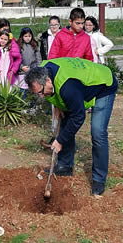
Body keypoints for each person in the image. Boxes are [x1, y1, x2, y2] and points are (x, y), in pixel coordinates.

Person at [25, 57, 118, 195]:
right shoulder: (44, 70)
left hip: (103, 85)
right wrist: (59, 105)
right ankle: (65, 166)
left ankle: (99, 180)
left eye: (40, 92)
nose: (41, 97)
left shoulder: (68, 87)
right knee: (65, 119)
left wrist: (60, 141)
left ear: (48, 81)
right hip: (77, 87)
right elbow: (56, 97)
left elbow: (79, 116)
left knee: (98, 133)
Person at [43, 8, 93, 148]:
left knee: (72, 117)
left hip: (76, 85)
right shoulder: (61, 36)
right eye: (78, 23)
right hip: (60, 82)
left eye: (83, 23)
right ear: (70, 21)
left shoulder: (86, 38)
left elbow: (89, 60)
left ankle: (63, 149)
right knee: (60, 116)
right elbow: (52, 59)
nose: (81, 26)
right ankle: (58, 146)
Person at [17, 27, 42, 98]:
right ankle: (23, 105)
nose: (28, 38)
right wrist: (21, 67)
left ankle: (33, 106)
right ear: (22, 36)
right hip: (22, 72)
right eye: (25, 36)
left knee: (33, 88)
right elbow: (16, 59)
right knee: (23, 89)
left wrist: (38, 69)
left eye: (29, 36)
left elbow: (38, 58)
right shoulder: (18, 46)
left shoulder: (35, 45)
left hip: (33, 70)